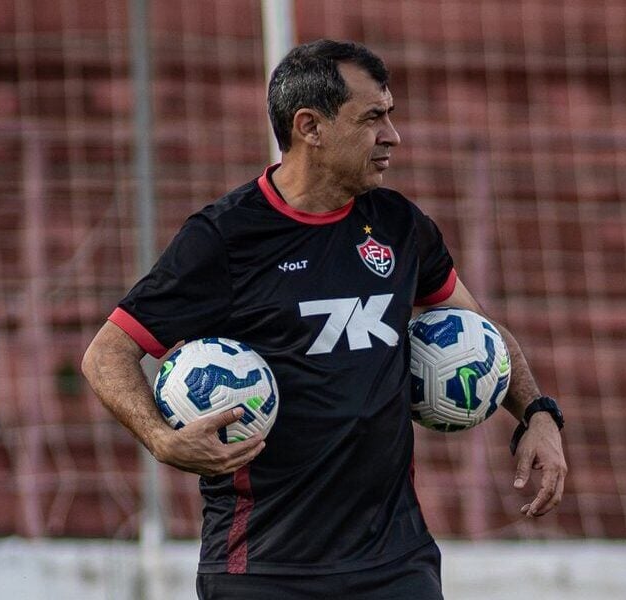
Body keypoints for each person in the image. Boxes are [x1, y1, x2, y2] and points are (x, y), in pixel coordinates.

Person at [82, 39, 567, 600]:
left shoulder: (400, 226)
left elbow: (479, 332)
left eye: (391, 115)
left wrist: (537, 412)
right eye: (372, 118)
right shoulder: (225, 238)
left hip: (394, 562)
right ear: (310, 126)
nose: (393, 136)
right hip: (261, 567)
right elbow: (107, 353)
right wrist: (161, 440)